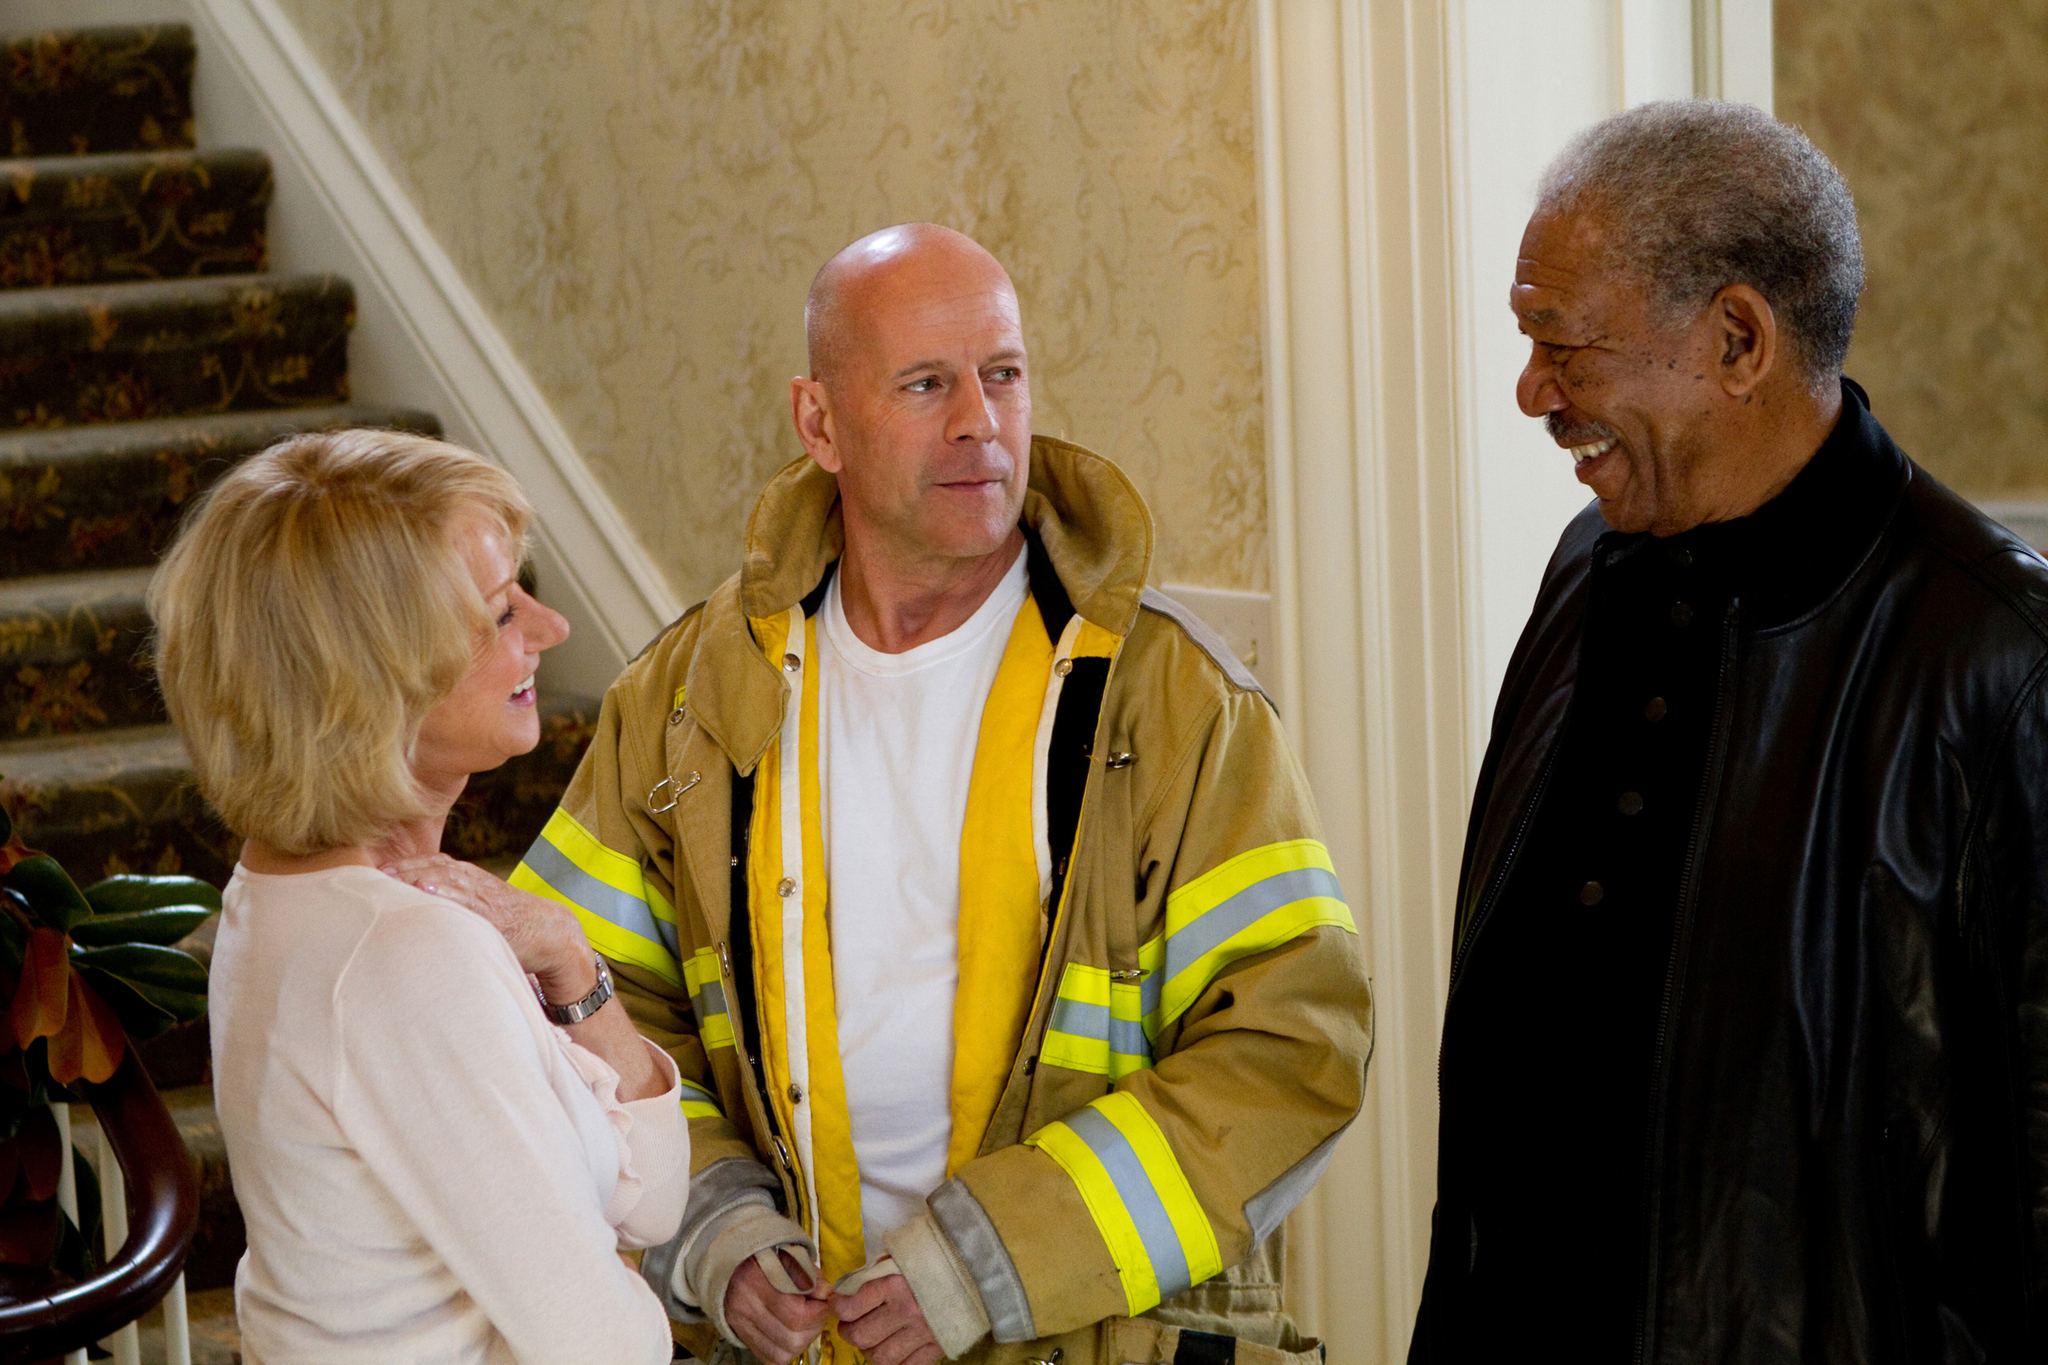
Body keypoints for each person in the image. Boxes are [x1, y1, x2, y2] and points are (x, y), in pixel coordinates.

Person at [501, 222, 1373, 1365]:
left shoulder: (1176, 701)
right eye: (925, 383)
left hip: (1094, 1340)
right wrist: (712, 1229)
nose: (981, 421)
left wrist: (991, 1263)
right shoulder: (688, 695)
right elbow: (583, 997)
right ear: (818, 423)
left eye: (1001, 375)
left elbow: (1289, 1048)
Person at [1412, 99, 2048, 1361]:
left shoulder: (1998, 660)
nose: (1532, 389)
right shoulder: (1585, 570)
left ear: (1738, 339)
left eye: (1564, 347)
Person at [150, 430, 691, 1364]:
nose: (551, 627)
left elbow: (654, 1200)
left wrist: (567, 955)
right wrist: (620, 1271)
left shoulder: (274, 891)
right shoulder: (401, 954)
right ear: (372, 679)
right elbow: (610, 1345)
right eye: (497, 613)